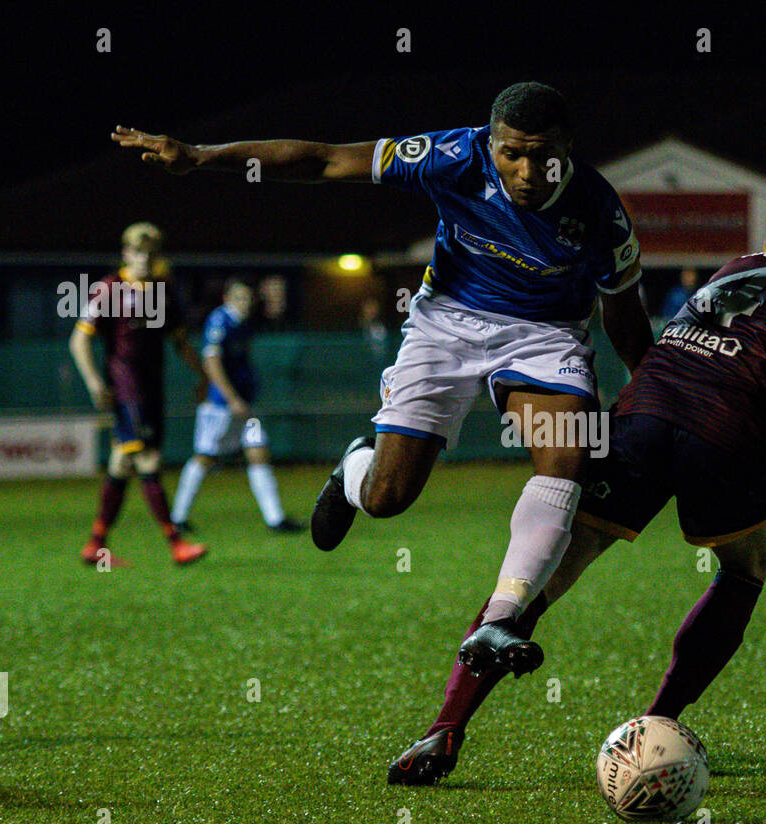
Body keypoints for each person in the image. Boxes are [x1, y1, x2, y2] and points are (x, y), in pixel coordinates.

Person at [113, 81, 652, 648]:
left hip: (544, 336)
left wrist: (656, 395)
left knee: (568, 453)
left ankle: (500, 618)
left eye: (542, 154)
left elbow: (624, 316)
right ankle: (354, 472)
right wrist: (201, 157)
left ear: (567, 146)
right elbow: (325, 160)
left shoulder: (600, 212)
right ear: (490, 141)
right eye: (511, 152)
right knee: (387, 499)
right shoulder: (453, 155)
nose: (525, 170)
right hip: (446, 321)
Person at [389, 184, 766, 784]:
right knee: (745, 569)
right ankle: (652, 732)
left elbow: (708, 353)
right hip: (727, 439)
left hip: (640, 416)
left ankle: (442, 730)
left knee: (538, 580)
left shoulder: (746, 263)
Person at [68, 222, 209, 566]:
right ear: (125, 253)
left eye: (150, 253)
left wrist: (204, 376)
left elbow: (179, 342)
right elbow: (79, 339)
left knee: (121, 462)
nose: (144, 258)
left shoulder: (162, 289)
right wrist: (93, 381)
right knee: (148, 460)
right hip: (126, 389)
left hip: (152, 389)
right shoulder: (109, 288)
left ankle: (95, 544)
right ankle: (176, 543)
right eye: (138, 251)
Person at [170, 277, 304, 533]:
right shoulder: (220, 321)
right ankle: (177, 517)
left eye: (247, 298)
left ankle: (275, 519)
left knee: (258, 451)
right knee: (205, 456)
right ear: (226, 299)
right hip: (222, 405)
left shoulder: (243, 323)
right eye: (239, 298)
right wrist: (230, 398)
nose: (245, 303)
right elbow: (211, 361)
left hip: (243, 405)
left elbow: (271, 315)